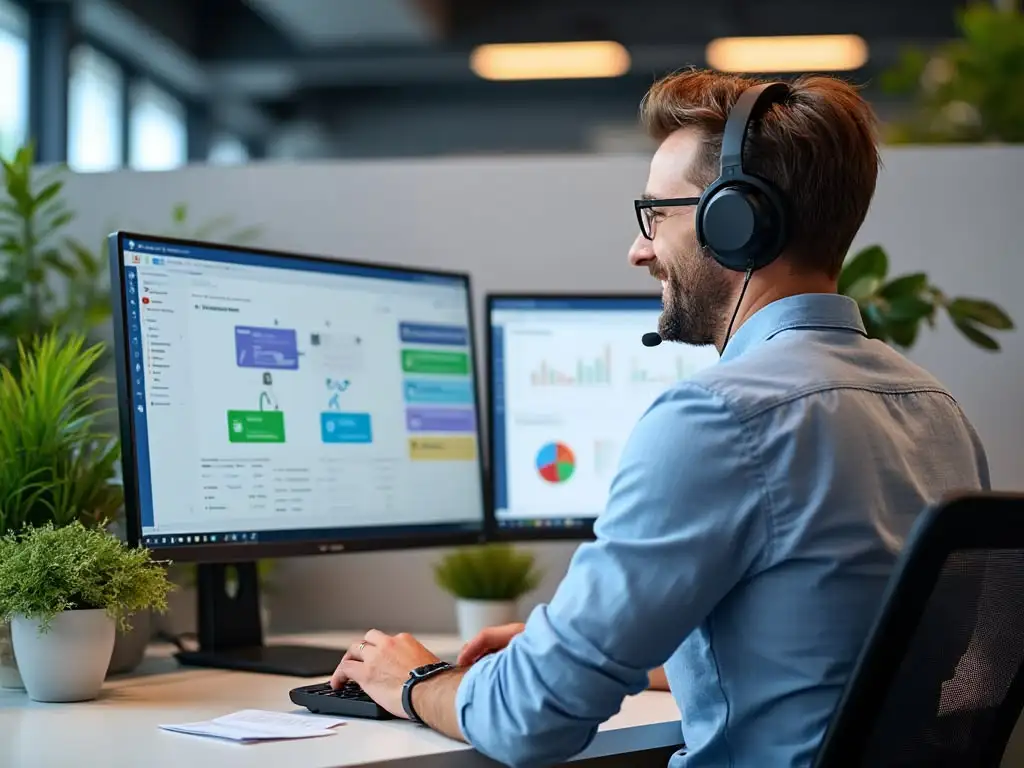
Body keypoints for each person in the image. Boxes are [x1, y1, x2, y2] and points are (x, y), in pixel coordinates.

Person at [329, 68, 991, 767]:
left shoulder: (719, 418)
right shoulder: (938, 411)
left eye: (657, 215)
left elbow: (531, 720)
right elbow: (844, 661)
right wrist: (593, 650)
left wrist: (415, 681)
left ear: (735, 220)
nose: (639, 249)